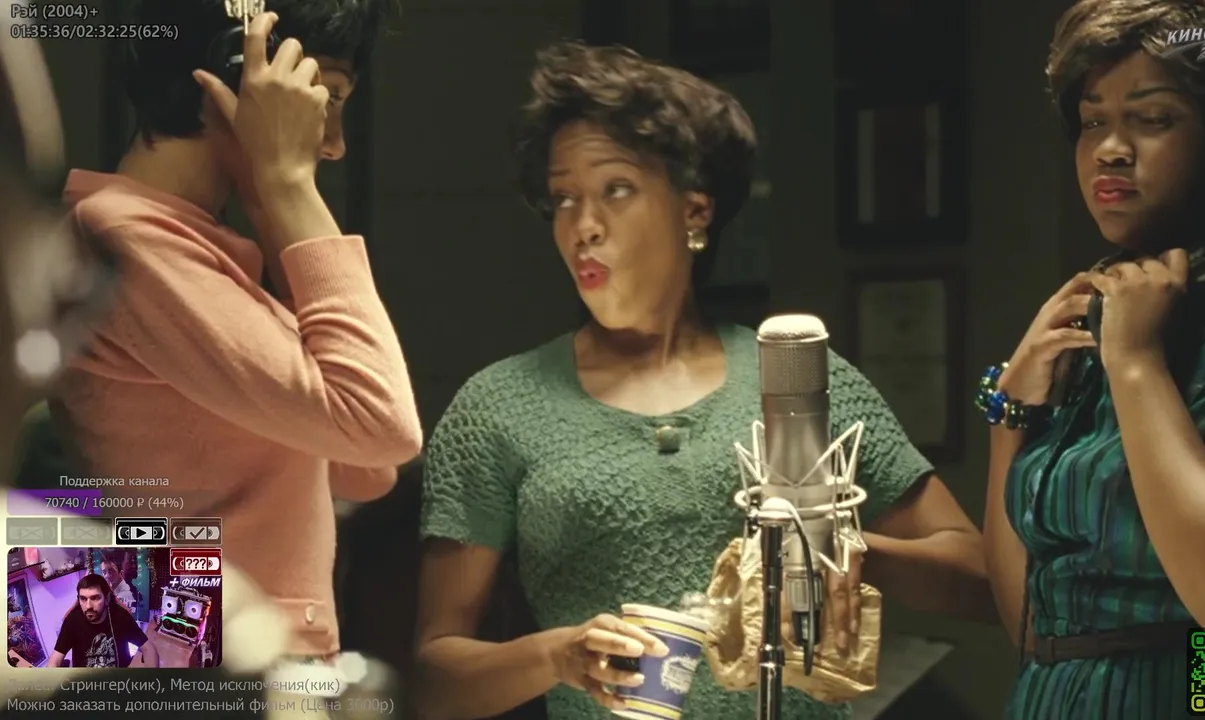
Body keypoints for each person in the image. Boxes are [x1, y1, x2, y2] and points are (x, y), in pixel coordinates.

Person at [417, 41, 995, 720]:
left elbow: (983, 579)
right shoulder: (499, 408)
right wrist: (557, 657)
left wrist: (846, 551)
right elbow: (431, 680)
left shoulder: (799, 378)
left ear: (695, 210)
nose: (583, 227)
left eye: (616, 190)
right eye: (564, 198)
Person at [44, 0, 420, 664]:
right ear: (239, 76)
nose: (333, 142)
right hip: (196, 670)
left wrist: (274, 205)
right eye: (325, 96)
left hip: (229, 664)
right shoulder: (125, 239)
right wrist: (288, 184)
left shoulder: (189, 245)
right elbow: (382, 425)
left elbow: (366, 469)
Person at [980, 1, 1205, 717]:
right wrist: (1011, 415)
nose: (1110, 149)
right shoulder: (1101, 311)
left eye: (1152, 118)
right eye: (1093, 123)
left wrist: (1139, 365)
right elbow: (1034, 627)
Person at [47, 573, 156, 669]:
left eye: (95, 598)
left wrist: (151, 681)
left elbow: (148, 648)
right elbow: (55, 660)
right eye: (83, 599)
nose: (88, 606)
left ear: (107, 599)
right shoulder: (72, 620)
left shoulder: (120, 616)